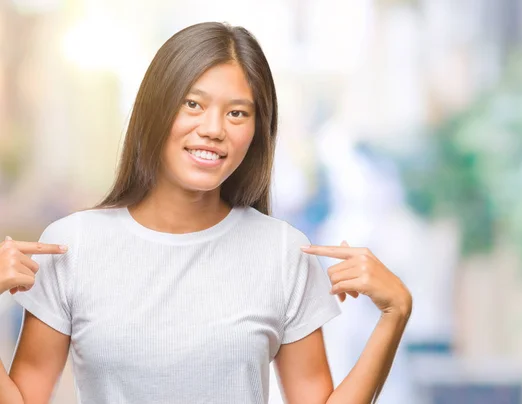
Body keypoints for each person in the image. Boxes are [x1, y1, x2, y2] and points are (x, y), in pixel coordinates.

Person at [0, 22, 412, 404]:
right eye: (193, 104)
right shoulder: (73, 246)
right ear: (155, 109)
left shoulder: (284, 252)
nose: (214, 129)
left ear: (256, 131)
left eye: (237, 113)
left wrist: (395, 314)